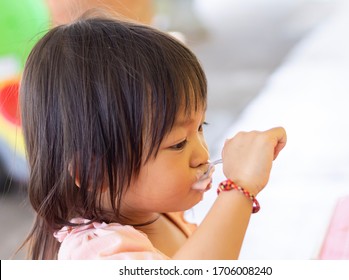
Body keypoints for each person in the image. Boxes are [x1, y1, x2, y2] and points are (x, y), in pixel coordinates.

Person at [19, 12, 287, 260]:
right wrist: (239, 187)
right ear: (94, 172)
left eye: (200, 127)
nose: (203, 155)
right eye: (178, 143)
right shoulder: (96, 253)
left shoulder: (160, 211)